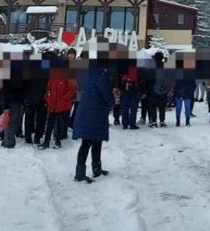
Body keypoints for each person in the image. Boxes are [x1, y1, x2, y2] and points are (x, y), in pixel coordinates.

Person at [73, 53, 115, 182]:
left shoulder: (84, 73)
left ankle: (92, 169)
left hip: (86, 109)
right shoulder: (101, 76)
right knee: (90, 142)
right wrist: (112, 103)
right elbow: (107, 94)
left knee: (93, 141)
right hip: (96, 111)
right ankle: (83, 173)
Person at [40, 67, 76, 149]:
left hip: (62, 106)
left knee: (60, 124)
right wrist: (47, 98)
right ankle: (46, 142)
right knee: (50, 124)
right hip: (53, 105)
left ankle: (58, 141)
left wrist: (64, 99)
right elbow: (48, 90)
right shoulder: (52, 78)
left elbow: (72, 90)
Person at [120, 62, 141, 129]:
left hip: (124, 90)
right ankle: (132, 124)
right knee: (133, 108)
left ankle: (125, 124)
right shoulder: (137, 68)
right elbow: (140, 79)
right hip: (134, 89)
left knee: (125, 108)